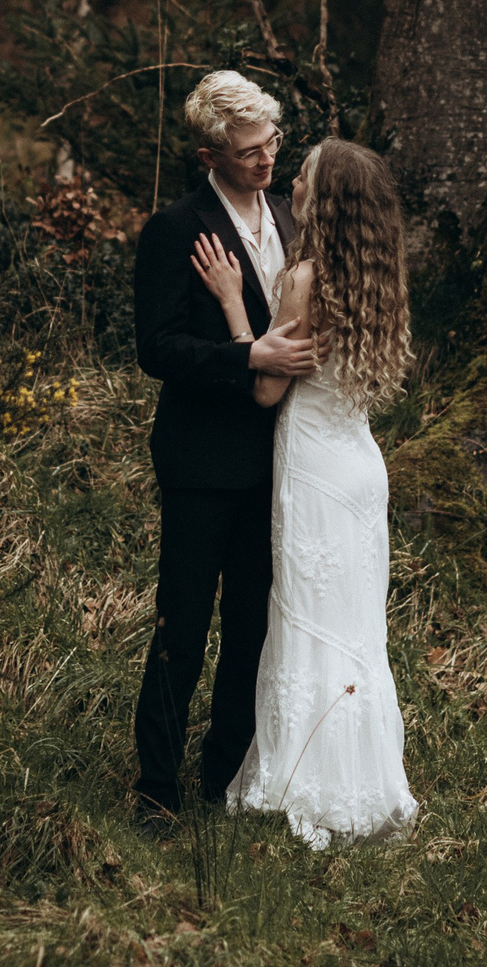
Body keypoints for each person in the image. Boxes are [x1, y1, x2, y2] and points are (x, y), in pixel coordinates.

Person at [192, 136, 419, 849]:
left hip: (315, 468)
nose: (291, 179)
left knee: (305, 621)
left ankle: (303, 781)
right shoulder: (374, 278)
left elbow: (265, 388)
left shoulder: (305, 280)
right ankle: (364, 781)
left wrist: (234, 305)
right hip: (360, 466)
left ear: (324, 200)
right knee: (353, 630)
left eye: (305, 173)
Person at [129, 71, 318, 829]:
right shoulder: (176, 229)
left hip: (283, 461)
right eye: (249, 152)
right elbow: (157, 349)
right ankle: (156, 789)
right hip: (201, 461)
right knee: (183, 621)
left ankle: (224, 777)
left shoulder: (288, 215)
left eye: (273, 143)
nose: (267, 160)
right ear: (211, 154)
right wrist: (248, 360)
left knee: (253, 626)